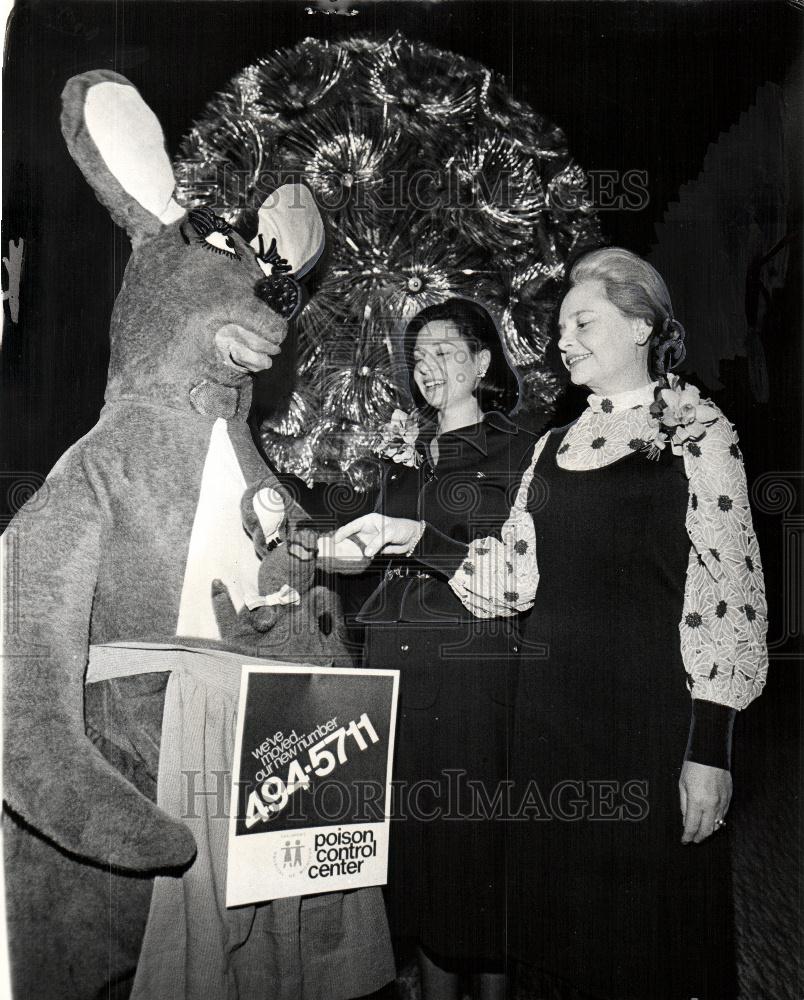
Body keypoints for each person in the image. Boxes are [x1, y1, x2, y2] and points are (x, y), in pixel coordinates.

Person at [339, 249, 768, 999]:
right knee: (560, 938)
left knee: (642, 938)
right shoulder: (553, 446)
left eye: (583, 322)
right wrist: (413, 539)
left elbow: (729, 592)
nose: (563, 340)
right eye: (561, 326)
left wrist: (711, 747)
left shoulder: (699, 430)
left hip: (649, 721)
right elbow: (511, 581)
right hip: (551, 725)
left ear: (641, 327)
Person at [335, 298, 538, 1000]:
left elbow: (520, 575)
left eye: (447, 352)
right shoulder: (401, 453)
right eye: (419, 358)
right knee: (417, 862)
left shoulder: (521, 450)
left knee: (476, 863)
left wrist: (422, 542)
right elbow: (374, 553)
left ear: (483, 363)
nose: (429, 369)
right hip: (400, 677)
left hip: (474, 681)